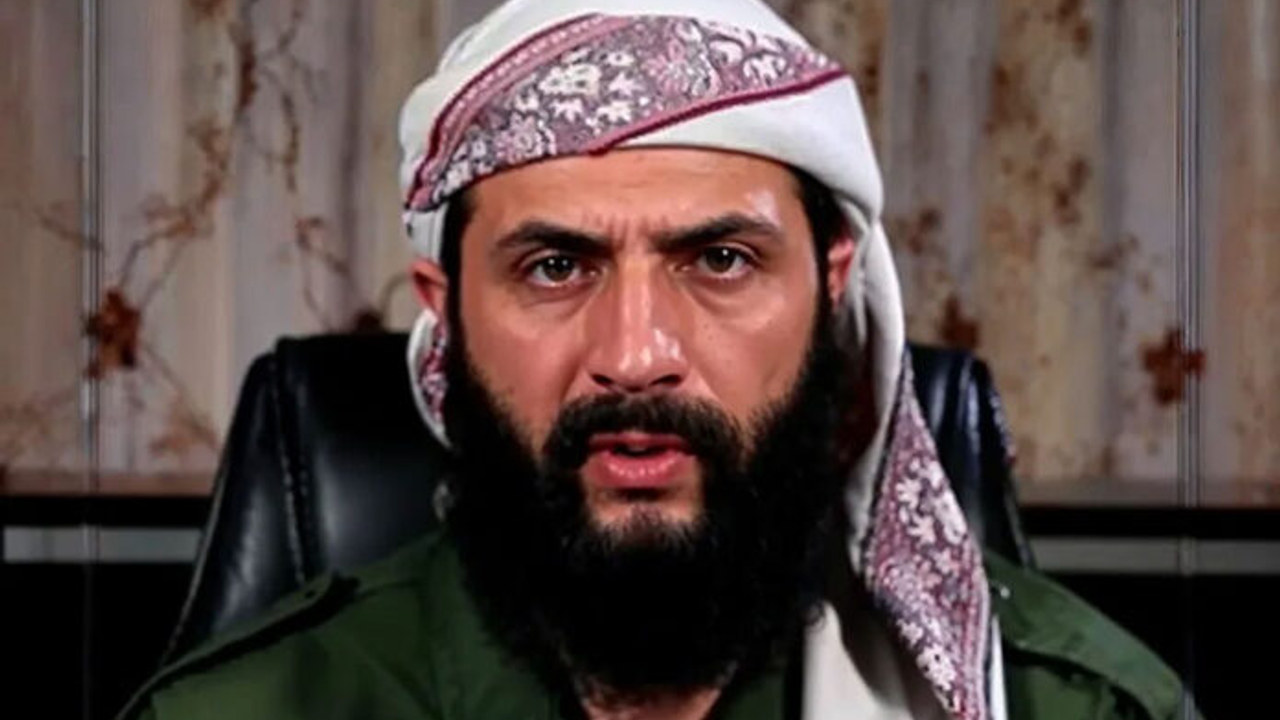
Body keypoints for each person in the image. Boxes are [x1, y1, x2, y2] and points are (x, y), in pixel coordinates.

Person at [119, 1, 1195, 718]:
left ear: (830, 292)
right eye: (554, 267)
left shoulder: (1076, 707)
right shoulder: (240, 710)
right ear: (445, 315)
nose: (635, 356)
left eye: (720, 260)